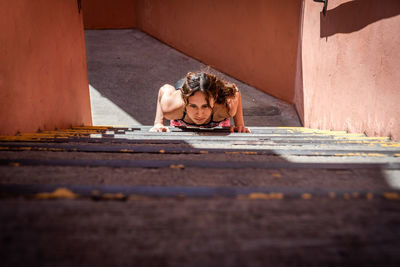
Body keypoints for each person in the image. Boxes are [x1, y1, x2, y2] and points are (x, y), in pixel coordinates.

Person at [150, 71, 250, 133]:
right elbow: (164, 89)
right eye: (193, 106)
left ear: (214, 100)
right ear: (185, 101)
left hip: (213, 96)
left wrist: (239, 125)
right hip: (184, 103)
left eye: (205, 106)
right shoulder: (172, 107)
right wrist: (158, 123)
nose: (199, 113)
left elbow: (235, 91)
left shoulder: (226, 107)